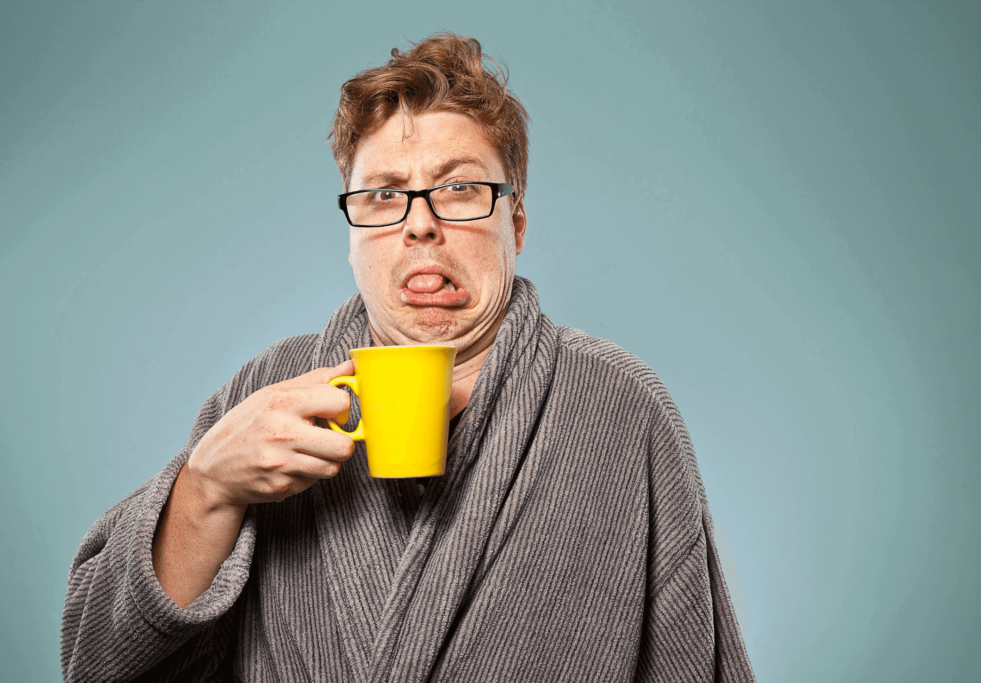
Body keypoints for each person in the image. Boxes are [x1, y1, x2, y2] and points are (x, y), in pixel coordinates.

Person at [61, 33, 756, 682]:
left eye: (458, 188)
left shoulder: (620, 409)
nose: (419, 221)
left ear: (515, 222)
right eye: (384, 195)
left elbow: (696, 660)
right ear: (353, 232)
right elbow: (97, 662)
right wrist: (205, 488)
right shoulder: (267, 390)